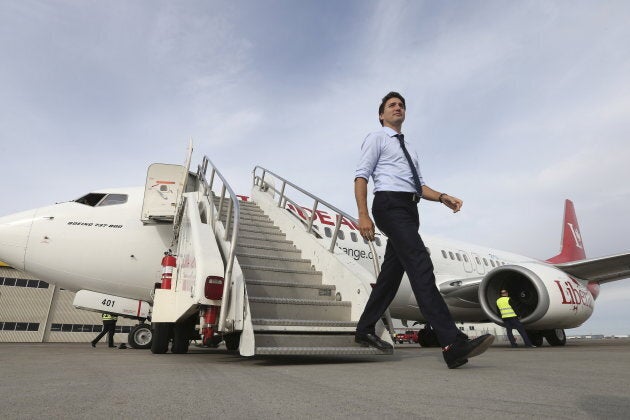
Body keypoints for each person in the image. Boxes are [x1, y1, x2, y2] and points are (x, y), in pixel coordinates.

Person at [353, 91, 494, 368]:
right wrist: (363, 215)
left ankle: (365, 329)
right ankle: (452, 342)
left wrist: (442, 197)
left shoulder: (410, 149)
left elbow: (419, 186)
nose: (398, 108)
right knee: (421, 267)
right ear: (382, 114)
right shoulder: (377, 137)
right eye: (392, 105)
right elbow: (361, 176)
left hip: (409, 209)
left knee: (390, 278)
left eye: (401, 105)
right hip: (389, 205)